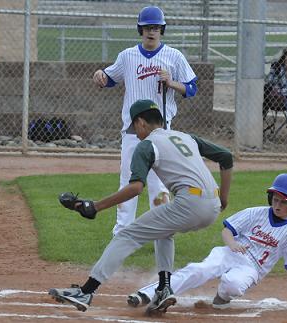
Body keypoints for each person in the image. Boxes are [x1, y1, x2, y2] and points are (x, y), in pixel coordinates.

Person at [49, 99, 233, 316]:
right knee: (163, 231)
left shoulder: (146, 145)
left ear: (141, 122)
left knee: (127, 235)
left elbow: (136, 188)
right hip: (210, 205)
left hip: (189, 205)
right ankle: (164, 288)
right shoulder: (185, 137)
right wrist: (223, 197)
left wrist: (96, 206)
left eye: (135, 127)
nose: (135, 133)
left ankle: (86, 291)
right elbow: (226, 157)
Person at [127, 173, 287, 313]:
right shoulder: (255, 213)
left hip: (252, 269)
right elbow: (227, 230)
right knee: (199, 270)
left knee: (233, 285)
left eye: (283, 202)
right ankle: (148, 294)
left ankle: (222, 296)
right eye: (275, 199)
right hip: (229, 253)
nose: (278, 205)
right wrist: (232, 244)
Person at [92, 6, 198, 235]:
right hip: (132, 131)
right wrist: (100, 76)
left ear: (162, 30)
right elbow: (110, 78)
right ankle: (122, 232)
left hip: (161, 133)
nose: (152, 31)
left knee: (159, 184)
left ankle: (162, 230)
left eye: (156, 27)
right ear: (140, 29)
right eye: (148, 27)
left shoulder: (174, 56)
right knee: (129, 182)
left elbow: (192, 88)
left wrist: (171, 83)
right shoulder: (128, 55)